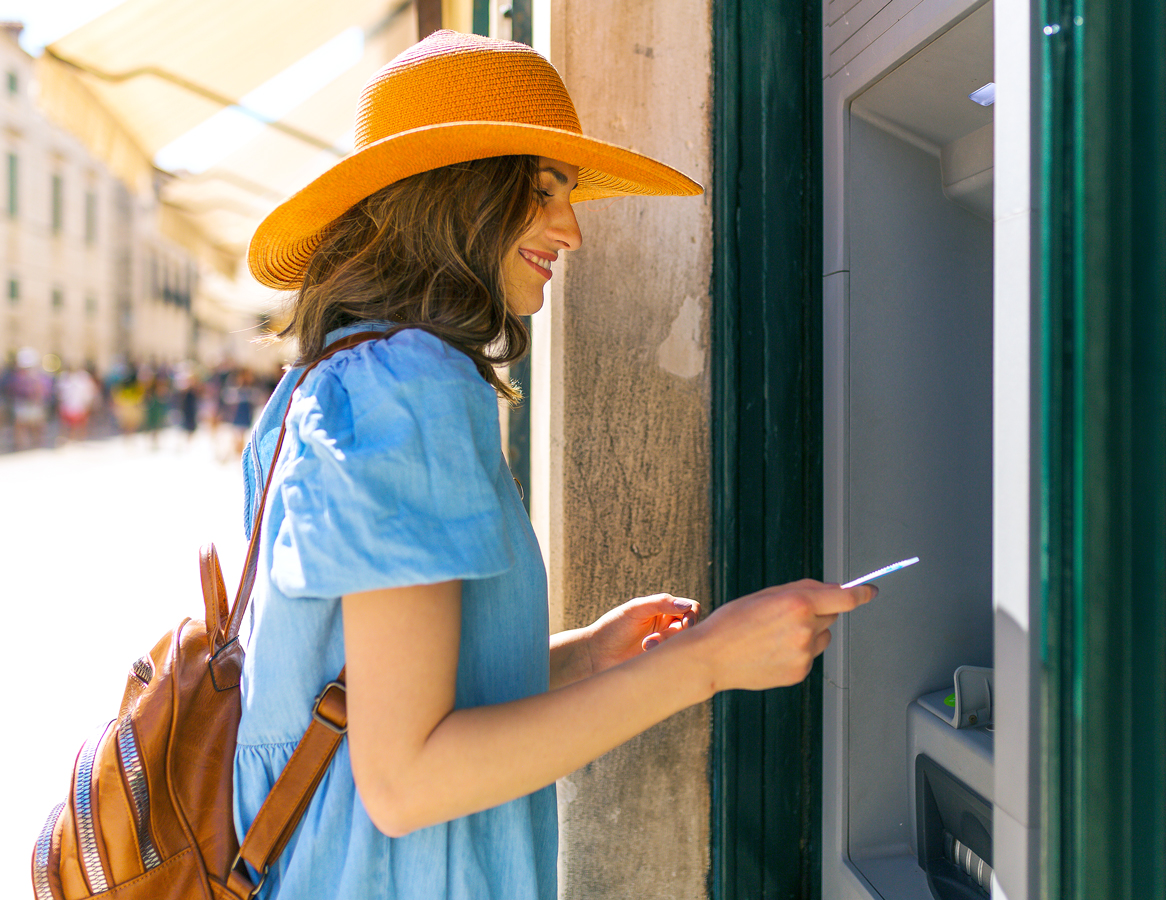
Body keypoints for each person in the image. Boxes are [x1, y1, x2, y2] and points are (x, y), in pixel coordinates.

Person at [235, 30, 874, 900]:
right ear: (455, 195)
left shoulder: (333, 378)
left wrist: (585, 658)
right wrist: (710, 662)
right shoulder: (408, 386)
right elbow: (406, 780)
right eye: (541, 191)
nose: (571, 229)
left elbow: (379, 696)